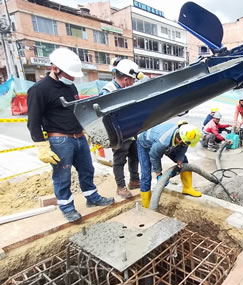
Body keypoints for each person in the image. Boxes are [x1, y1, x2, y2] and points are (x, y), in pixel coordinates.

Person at [27, 48, 114, 223]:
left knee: (87, 169)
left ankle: (92, 197)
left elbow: (75, 111)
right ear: (55, 68)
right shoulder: (39, 90)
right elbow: (33, 121)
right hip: (60, 139)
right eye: (69, 74)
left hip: (78, 137)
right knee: (62, 175)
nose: (73, 78)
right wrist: (42, 146)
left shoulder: (70, 86)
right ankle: (67, 207)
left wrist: (86, 130)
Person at [99, 58, 144, 199]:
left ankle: (134, 180)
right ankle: (121, 187)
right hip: (118, 132)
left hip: (131, 130)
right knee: (119, 160)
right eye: (132, 79)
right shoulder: (108, 91)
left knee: (134, 156)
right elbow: (104, 116)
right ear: (125, 79)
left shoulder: (126, 89)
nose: (133, 82)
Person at [137, 122, 202, 208]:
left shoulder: (185, 137)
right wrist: (159, 174)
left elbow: (182, 151)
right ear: (180, 140)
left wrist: (179, 163)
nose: (186, 145)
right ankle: (147, 205)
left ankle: (187, 188)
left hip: (164, 143)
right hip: (145, 145)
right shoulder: (163, 142)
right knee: (146, 174)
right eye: (184, 144)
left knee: (184, 161)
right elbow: (154, 156)